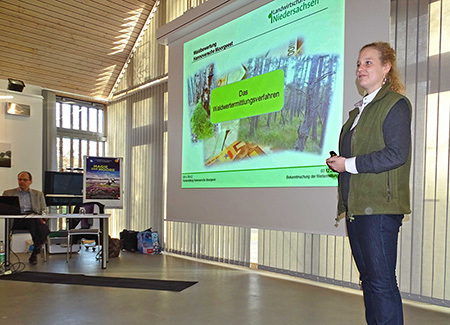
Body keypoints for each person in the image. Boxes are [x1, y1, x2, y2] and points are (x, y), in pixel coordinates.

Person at [326, 42, 411, 325]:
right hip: (356, 209)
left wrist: (348, 164)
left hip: (380, 210)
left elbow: (397, 154)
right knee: (370, 282)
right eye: (359, 64)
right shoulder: (356, 113)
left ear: (386, 68)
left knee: (382, 283)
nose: (361, 68)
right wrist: (341, 162)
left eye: (368, 63)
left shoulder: (395, 104)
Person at [2, 171, 50, 265]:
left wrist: (43, 219)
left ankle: (34, 253)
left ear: (30, 181)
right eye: (20, 179)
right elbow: (3, 209)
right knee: (41, 229)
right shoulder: (8, 193)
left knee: (35, 223)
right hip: (16, 220)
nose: (22, 182)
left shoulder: (38, 194)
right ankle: (37, 249)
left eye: (25, 180)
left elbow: (44, 209)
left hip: (32, 218)